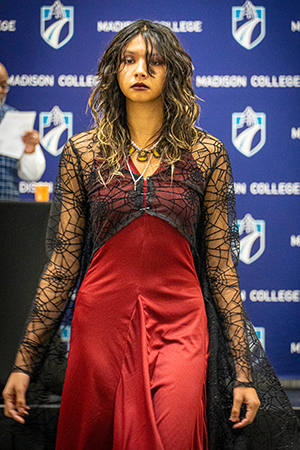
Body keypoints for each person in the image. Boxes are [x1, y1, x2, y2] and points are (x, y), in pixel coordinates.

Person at [2, 20, 300, 450]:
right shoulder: (83, 152)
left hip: (181, 322)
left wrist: (243, 372)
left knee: (176, 433)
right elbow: (63, 262)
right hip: (100, 324)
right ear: (114, 71)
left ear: (171, 73)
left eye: (153, 61)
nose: (140, 70)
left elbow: (220, 268)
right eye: (129, 60)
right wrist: (23, 363)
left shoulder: (207, 154)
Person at [0, 63, 46, 201]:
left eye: (3, 86)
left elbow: (32, 175)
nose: (1, 91)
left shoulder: (13, 117)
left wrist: (30, 149)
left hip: (7, 211)